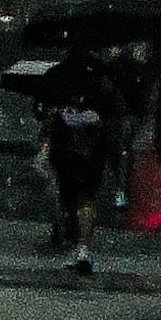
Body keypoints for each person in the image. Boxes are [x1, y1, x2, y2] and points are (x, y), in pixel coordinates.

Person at [39, 56, 115, 276]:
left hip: (68, 146)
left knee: (73, 196)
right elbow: (114, 111)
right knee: (85, 197)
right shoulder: (102, 76)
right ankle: (82, 245)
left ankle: (77, 242)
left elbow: (44, 113)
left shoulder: (55, 75)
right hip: (88, 146)